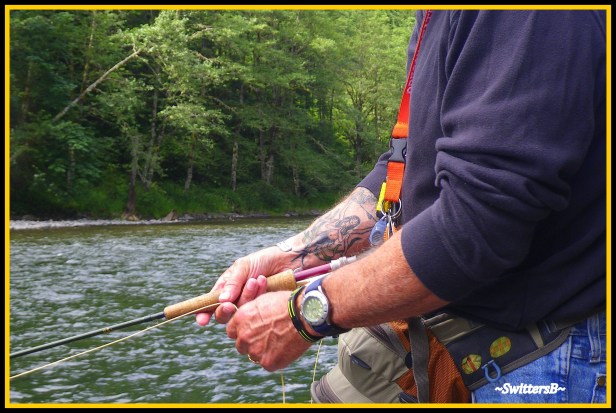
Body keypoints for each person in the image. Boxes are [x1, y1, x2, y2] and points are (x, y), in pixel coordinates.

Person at [195, 9, 606, 404]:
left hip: (549, 363)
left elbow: (479, 221)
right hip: (472, 352)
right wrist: (290, 256)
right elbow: (405, 167)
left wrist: (307, 312)